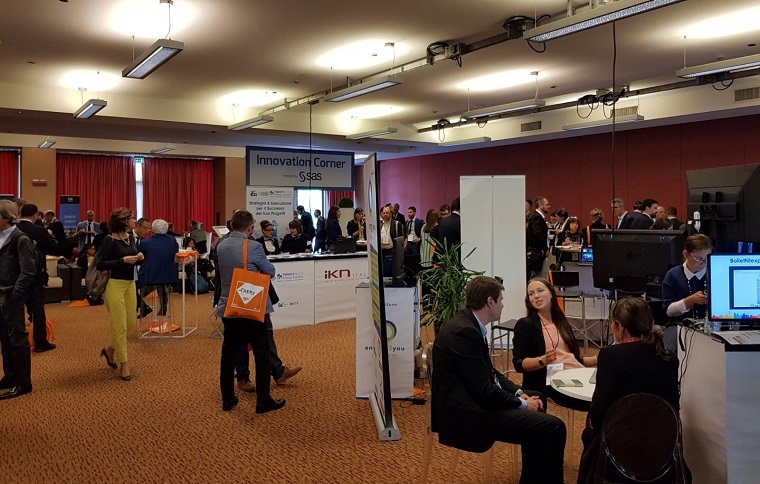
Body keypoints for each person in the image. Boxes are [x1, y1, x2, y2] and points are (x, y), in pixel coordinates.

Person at [432, 275, 566, 483]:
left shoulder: (469, 324)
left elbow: (490, 373)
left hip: (475, 400)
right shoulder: (465, 332)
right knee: (555, 427)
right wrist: (522, 403)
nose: (503, 305)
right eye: (501, 300)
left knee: (537, 397)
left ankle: (532, 478)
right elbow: (485, 392)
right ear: (490, 302)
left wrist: (519, 393)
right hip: (468, 415)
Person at [577, 298, 680, 484]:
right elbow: (673, 408)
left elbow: (599, 413)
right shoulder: (668, 357)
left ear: (620, 327)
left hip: (620, 450)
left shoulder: (611, 356)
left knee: (589, 434)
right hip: (661, 448)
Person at [215, 210, 285, 414]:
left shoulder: (221, 245)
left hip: (229, 305)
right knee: (261, 353)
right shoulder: (253, 246)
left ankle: (228, 399)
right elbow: (270, 271)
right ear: (250, 227)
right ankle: (263, 401)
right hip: (251, 305)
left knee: (228, 353)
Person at [513, 277, 597, 411]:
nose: (536, 296)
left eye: (540, 291)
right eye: (531, 294)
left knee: (607, 395)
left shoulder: (561, 322)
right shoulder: (526, 325)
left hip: (576, 373)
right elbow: (519, 364)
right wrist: (542, 360)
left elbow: (574, 358)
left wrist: (599, 358)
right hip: (550, 381)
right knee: (597, 402)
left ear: (551, 293)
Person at [97, 207, 143, 382]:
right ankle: (124, 363)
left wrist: (138, 256)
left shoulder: (130, 238)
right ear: (123, 221)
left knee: (130, 322)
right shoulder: (109, 240)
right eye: (132, 218)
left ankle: (109, 350)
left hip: (130, 284)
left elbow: (132, 256)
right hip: (114, 285)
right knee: (120, 326)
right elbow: (101, 264)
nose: (134, 221)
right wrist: (122, 260)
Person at [0, 200, 36, 400]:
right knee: (5, 339)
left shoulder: (20, 239)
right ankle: (10, 376)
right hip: (1, 295)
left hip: (11, 296)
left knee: (18, 340)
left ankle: (23, 383)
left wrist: (15, 294)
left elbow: (28, 271)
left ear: (6, 217)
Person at [17, 203, 59, 353]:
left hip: (15, 276)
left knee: (15, 308)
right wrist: (50, 235)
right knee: (37, 308)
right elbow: (55, 248)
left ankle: (16, 341)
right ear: (35, 215)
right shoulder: (40, 231)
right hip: (35, 275)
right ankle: (40, 342)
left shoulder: (12, 230)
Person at [661, 234, 712, 352]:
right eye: (698, 259)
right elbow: (668, 311)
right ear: (686, 254)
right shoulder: (673, 275)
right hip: (678, 324)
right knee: (668, 350)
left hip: (709, 325)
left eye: (707, 259)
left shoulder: (713, 272)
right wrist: (690, 301)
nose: (703, 263)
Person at [137, 219, 179, 317]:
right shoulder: (172, 240)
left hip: (150, 276)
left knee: (133, 288)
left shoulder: (145, 242)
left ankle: (144, 307)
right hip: (169, 275)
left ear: (152, 229)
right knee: (162, 283)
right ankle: (163, 307)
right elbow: (175, 251)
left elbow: (139, 257)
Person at [526, 197, 549, 280]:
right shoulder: (537, 217)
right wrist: (545, 248)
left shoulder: (534, 216)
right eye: (546, 204)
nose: (549, 206)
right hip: (536, 252)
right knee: (538, 277)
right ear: (540, 205)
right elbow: (537, 234)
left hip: (534, 251)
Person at [431, 196, 461, 262]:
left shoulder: (442, 221)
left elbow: (432, 233)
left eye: (445, 214)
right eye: (442, 214)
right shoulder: (460, 221)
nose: (443, 216)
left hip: (441, 257)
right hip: (454, 258)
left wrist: (440, 243)